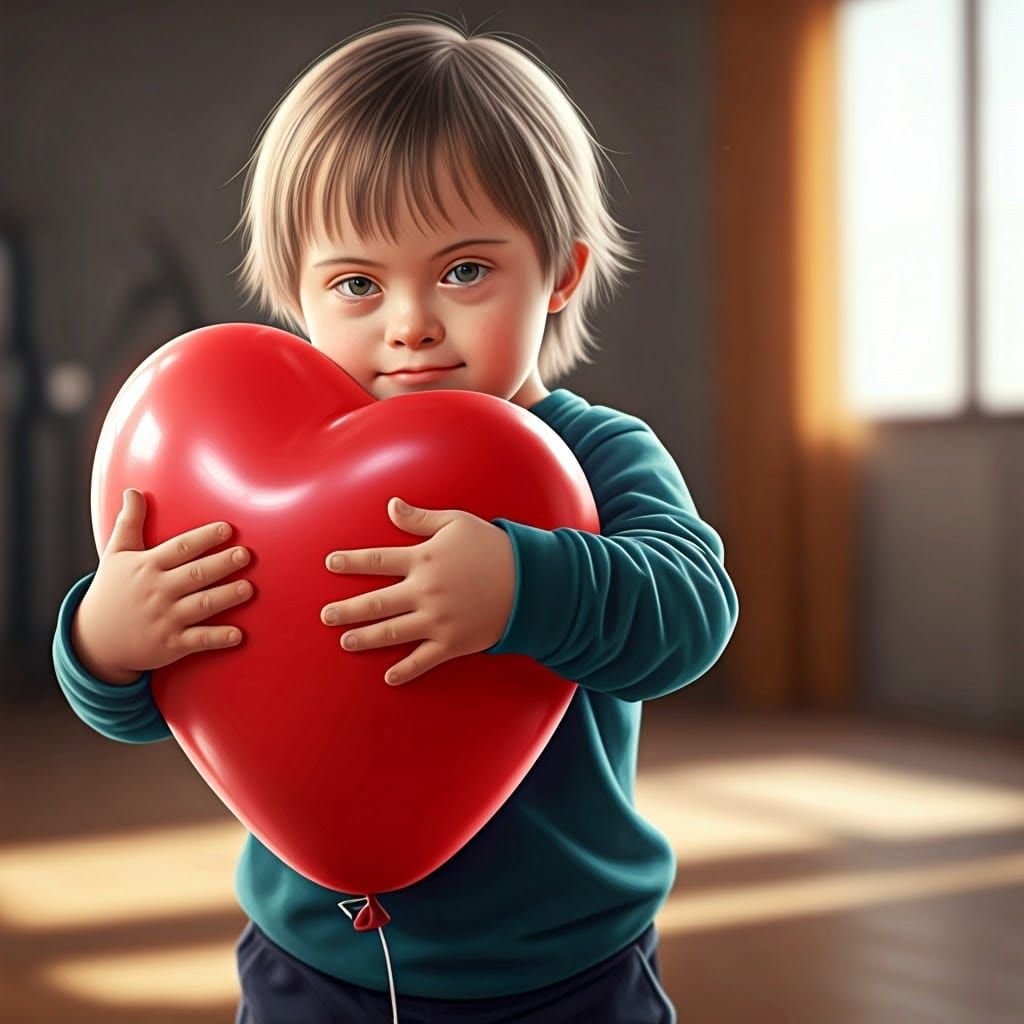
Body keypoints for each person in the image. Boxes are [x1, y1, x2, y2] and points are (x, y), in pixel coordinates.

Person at [53, 13, 739, 1023]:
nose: (411, 321)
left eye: (464, 270)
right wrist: (104, 641)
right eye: (358, 284)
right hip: (308, 962)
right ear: (296, 296)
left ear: (559, 274)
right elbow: (183, 699)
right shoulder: (253, 484)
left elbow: (692, 615)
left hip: (566, 971)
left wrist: (521, 583)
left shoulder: (596, 455)